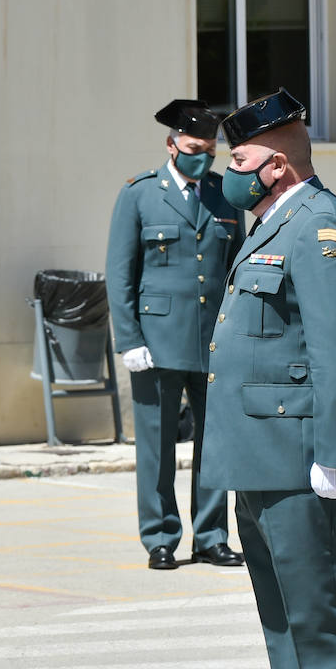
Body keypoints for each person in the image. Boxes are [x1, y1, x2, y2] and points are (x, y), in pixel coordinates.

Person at [200, 88, 336, 669]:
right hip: (260, 451)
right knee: (282, 616)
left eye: (238, 159)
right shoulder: (271, 225)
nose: (228, 172)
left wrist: (333, 456)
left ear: (274, 165)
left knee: (321, 609)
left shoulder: (319, 226)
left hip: (305, 455)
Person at [105, 99, 245, 570]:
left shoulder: (225, 194)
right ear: (171, 144)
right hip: (156, 343)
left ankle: (210, 535)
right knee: (157, 447)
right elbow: (120, 274)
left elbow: (235, 268)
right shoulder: (140, 194)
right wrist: (128, 340)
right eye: (192, 148)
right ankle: (161, 537)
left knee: (215, 444)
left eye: (208, 150)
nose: (201, 157)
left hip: (212, 342)